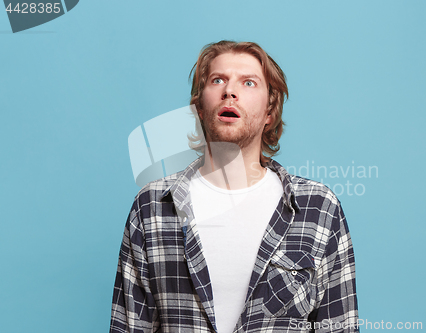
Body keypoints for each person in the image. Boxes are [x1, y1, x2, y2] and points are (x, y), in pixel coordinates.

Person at [110, 40, 358, 333]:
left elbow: (340, 327)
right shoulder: (151, 205)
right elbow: (129, 326)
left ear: (269, 112)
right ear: (200, 107)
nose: (230, 91)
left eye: (249, 83)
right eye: (218, 80)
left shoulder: (319, 208)